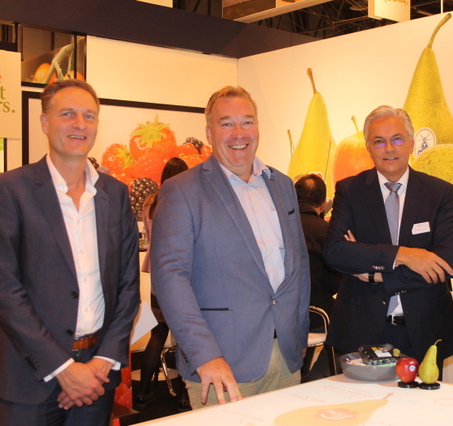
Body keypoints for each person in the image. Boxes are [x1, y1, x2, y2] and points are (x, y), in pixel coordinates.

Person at [0, 79, 139, 426]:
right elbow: (3, 289)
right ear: (45, 122)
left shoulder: (115, 194)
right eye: (68, 114)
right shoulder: (8, 190)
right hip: (31, 376)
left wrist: (103, 361)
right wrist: (64, 369)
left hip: (97, 373)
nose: (80, 124)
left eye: (89, 116)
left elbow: (128, 286)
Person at [150, 86, 310, 408]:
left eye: (247, 121)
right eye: (226, 123)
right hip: (221, 365)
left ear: (258, 127)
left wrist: (300, 333)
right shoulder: (182, 191)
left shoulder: (282, 184)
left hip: (286, 356)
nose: (239, 133)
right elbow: (170, 279)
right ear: (210, 133)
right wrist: (204, 355)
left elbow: (298, 265)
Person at [323, 105, 453, 371]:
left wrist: (377, 275)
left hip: (423, 330)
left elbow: (445, 264)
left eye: (397, 139)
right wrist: (404, 255)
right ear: (368, 148)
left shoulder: (438, 193)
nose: (389, 148)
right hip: (361, 330)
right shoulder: (350, 190)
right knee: (360, 399)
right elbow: (335, 252)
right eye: (379, 141)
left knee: (420, 399)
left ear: (411, 143)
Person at [135, 157, 189, 410]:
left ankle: (143, 392)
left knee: (157, 334)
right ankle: (184, 395)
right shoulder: (184, 198)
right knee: (186, 336)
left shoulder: (150, 201)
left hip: (158, 275)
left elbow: (148, 237)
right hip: (182, 275)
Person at [294, 173, 342, 380]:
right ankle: (315, 379)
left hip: (280, 316)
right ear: (322, 205)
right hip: (317, 315)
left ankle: (300, 375)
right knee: (348, 321)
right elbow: (335, 282)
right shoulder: (327, 232)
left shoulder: (277, 227)